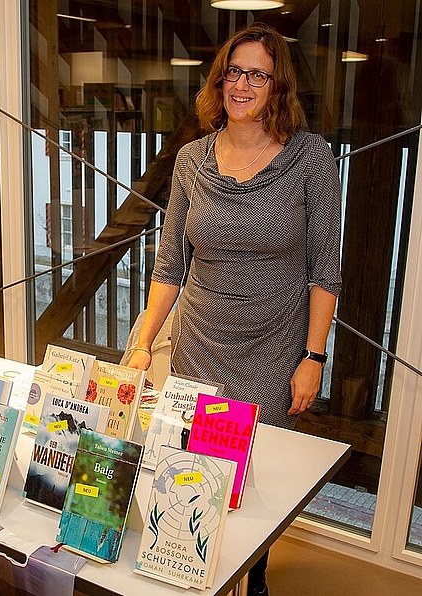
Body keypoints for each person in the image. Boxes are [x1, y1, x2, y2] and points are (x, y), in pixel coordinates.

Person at [127, 23, 342, 596]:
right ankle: (196, 570)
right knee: (199, 469)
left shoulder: (311, 160)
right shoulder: (192, 159)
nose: (242, 84)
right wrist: (145, 341)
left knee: (256, 479)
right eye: (234, 71)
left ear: (277, 87)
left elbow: (326, 270)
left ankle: (257, 577)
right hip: (199, 343)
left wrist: (313, 356)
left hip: (273, 350)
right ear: (220, 79)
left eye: (257, 74)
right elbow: (170, 263)